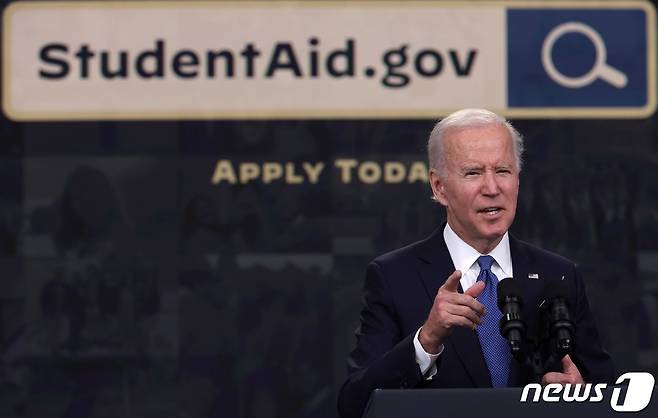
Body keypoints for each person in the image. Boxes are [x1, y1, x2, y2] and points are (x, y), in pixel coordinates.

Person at [337, 109, 614, 418]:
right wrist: (426, 340)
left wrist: (584, 394)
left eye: (503, 171)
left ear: (518, 180)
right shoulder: (394, 276)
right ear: (439, 187)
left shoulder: (559, 275)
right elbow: (355, 404)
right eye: (473, 173)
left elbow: (610, 395)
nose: (492, 188)